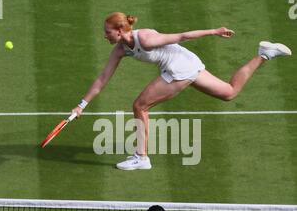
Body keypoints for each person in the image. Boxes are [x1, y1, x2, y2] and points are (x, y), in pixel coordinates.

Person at [72, 12, 292, 170]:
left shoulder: (146, 39)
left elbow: (182, 36)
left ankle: (141, 157)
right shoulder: (120, 49)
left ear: (120, 31)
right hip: (187, 63)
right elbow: (103, 78)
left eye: (107, 32)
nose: (105, 36)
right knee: (229, 92)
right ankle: (265, 54)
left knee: (140, 106)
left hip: (179, 68)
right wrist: (82, 105)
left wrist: (215, 31)